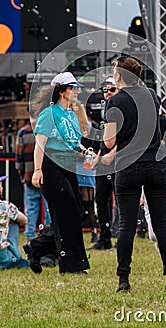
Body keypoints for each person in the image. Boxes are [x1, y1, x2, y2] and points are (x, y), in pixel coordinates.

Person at [103, 55, 166, 292]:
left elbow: (109, 141)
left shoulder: (115, 102)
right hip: (157, 164)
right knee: (162, 225)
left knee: (126, 226)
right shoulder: (151, 96)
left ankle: (123, 280)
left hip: (129, 165)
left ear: (118, 76)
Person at [30, 71, 90, 274]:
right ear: (62, 91)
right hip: (51, 166)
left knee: (75, 212)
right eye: (73, 87)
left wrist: (84, 151)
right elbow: (40, 144)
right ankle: (72, 266)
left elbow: (74, 141)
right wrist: (38, 170)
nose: (77, 91)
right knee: (66, 213)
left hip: (69, 165)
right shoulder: (49, 113)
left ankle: (37, 247)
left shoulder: (72, 115)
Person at [90, 76, 119, 250]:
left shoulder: (123, 108)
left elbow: (127, 139)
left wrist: (112, 154)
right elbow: (104, 139)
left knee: (121, 202)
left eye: (112, 89)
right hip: (104, 162)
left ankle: (120, 238)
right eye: (105, 90)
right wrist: (99, 156)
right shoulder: (107, 110)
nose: (107, 93)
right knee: (101, 200)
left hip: (119, 161)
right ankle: (104, 238)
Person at [15, 110, 51, 242]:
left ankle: (29, 234)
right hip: (46, 176)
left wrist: (22, 175)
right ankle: (48, 233)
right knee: (48, 208)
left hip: (29, 176)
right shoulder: (49, 129)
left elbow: (18, 158)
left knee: (30, 208)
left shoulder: (23, 132)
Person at [71, 101, 98, 244]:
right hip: (89, 168)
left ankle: (77, 233)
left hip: (76, 167)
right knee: (90, 203)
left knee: (77, 203)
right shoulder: (91, 127)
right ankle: (94, 232)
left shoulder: (73, 128)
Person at [142, 180, 166, 249]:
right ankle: (161, 242)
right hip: (150, 211)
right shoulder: (144, 183)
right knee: (152, 236)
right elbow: (141, 197)